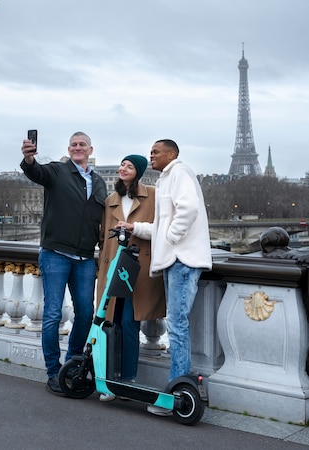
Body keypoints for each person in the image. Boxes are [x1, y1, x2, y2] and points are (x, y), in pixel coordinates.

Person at [117, 139, 212, 416]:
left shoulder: (180, 173)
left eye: (156, 152)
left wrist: (171, 239)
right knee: (177, 325)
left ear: (172, 154)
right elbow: (162, 224)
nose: (151, 156)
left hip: (182, 260)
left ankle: (177, 392)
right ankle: (178, 387)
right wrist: (136, 227)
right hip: (176, 260)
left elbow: (189, 209)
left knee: (178, 325)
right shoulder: (167, 179)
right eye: (151, 152)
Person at [21, 131, 107, 395]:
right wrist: (28, 159)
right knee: (53, 314)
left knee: (85, 314)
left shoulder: (100, 182)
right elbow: (36, 173)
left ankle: (71, 364)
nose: (78, 148)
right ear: (69, 149)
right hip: (56, 252)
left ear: (90, 149)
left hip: (84, 257)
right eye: (74, 145)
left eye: (82, 145)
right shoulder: (57, 171)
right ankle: (51, 371)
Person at [97, 154, 165, 402]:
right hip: (114, 266)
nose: (123, 168)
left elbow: (162, 229)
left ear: (139, 172)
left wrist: (133, 228)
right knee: (109, 324)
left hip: (138, 269)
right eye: (122, 165)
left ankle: (128, 379)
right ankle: (108, 379)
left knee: (129, 323)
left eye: (130, 166)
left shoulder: (153, 195)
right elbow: (104, 236)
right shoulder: (110, 200)